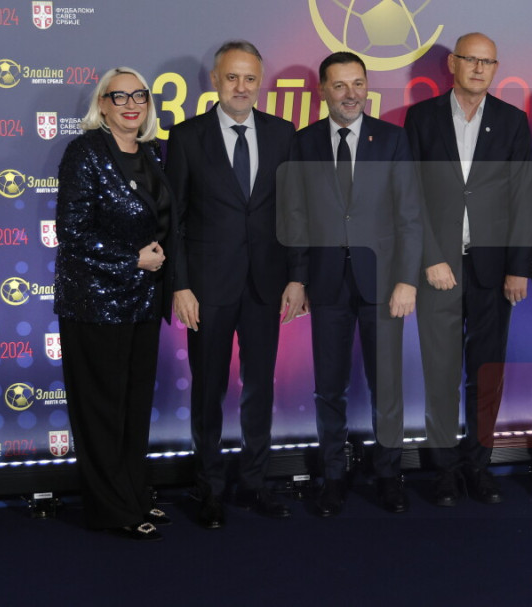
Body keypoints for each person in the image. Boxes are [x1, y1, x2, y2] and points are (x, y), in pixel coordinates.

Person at [166, 41, 305, 528]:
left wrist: (297, 277)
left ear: (259, 81)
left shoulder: (284, 134)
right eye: (231, 77)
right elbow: (174, 219)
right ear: (215, 81)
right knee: (208, 390)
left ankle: (254, 483)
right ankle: (209, 489)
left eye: (249, 78)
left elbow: (295, 213)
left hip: (267, 284)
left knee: (259, 388)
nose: (241, 87)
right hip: (207, 288)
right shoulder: (186, 137)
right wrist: (180, 285)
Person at [282, 52, 422, 516]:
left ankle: (389, 475)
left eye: (358, 83)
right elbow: (296, 216)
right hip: (325, 284)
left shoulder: (393, 139)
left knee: (388, 388)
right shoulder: (303, 142)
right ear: (323, 90)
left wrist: (407, 280)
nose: (350, 94)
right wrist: (298, 278)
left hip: (384, 283)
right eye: (340, 85)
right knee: (329, 388)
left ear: (367, 87)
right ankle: (333, 476)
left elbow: (410, 215)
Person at [403, 33, 532, 506]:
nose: (479, 68)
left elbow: (524, 197)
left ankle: (478, 465)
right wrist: (429, 257)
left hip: (493, 271)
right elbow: (409, 194)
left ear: (495, 68)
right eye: (470, 60)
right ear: (453, 65)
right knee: (440, 373)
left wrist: (518, 266)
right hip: (437, 269)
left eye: (487, 62)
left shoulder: (513, 121)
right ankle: (443, 469)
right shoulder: (421, 118)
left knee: (487, 372)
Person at [55, 66, 173, 541]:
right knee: (102, 410)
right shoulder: (84, 152)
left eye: (138, 96)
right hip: (95, 302)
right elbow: (72, 233)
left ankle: (134, 494)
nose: (130, 105)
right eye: (118, 96)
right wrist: (131, 260)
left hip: (144, 301)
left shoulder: (153, 153)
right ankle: (112, 509)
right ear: (102, 105)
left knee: (134, 406)